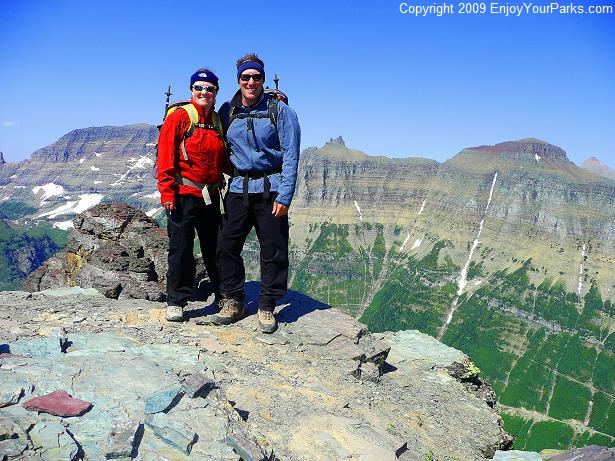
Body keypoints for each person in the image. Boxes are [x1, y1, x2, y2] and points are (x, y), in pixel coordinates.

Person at [212, 53, 301, 333]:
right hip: (238, 189)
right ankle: (234, 300)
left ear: (263, 78)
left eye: (256, 77)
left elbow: (290, 154)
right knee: (226, 246)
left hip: (270, 189)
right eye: (245, 77)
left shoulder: (281, 111)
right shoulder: (228, 111)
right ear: (238, 80)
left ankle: (266, 306)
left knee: (273, 249)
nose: (251, 81)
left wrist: (285, 195)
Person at [157, 68, 227, 322]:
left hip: (210, 195)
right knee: (181, 248)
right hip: (183, 194)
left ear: (216, 93)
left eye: (209, 89)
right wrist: (167, 192)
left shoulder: (217, 121)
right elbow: (165, 155)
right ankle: (176, 300)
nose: (204, 92)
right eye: (199, 88)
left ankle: (223, 294)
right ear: (191, 91)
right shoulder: (179, 117)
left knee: (216, 247)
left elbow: (224, 159)